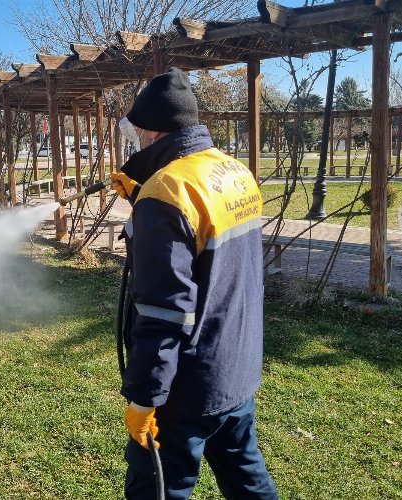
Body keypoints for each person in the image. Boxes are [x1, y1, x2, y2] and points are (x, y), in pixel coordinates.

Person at [110, 67, 278, 500]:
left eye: (136, 132)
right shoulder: (233, 171)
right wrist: (143, 200)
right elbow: (212, 262)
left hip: (185, 387)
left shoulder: (164, 194)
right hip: (235, 369)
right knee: (246, 478)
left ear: (150, 131)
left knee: (159, 490)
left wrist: (146, 398)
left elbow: (164, 310)